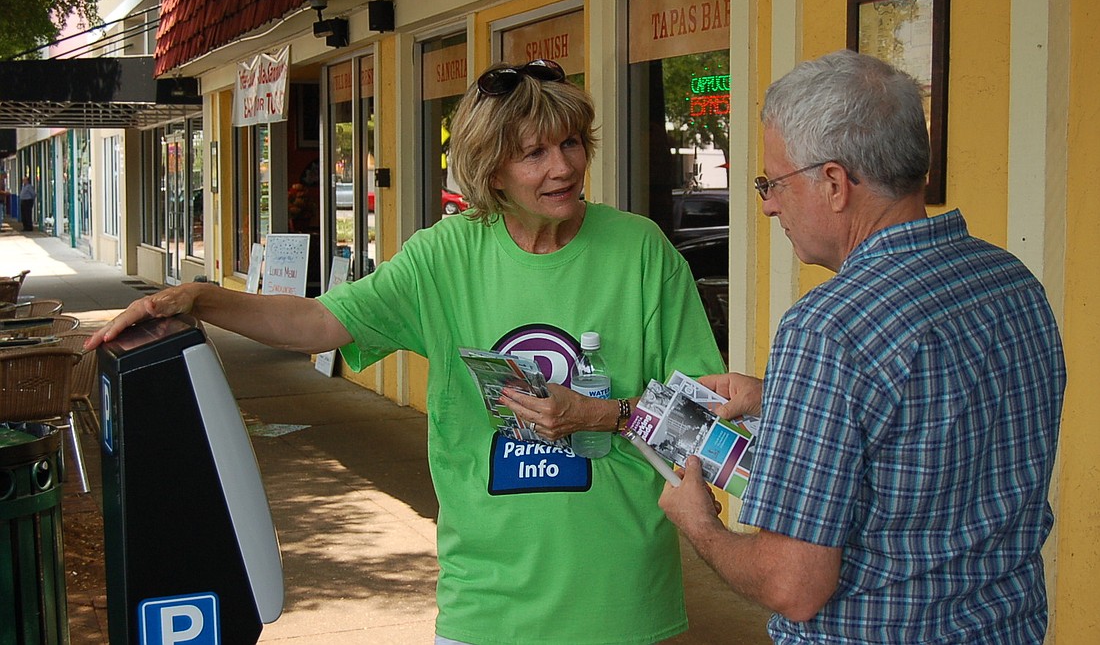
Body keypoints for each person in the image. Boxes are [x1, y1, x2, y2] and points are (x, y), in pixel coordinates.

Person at [88, 59, 727, 644]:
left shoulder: (641, 252)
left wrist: (600, 417)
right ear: (490, 168)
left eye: (570, 143)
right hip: (488, 606)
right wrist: (200, 298)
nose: (561, 167)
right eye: (532, 153)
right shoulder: (446, 256)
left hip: (619, 603)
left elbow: (702, 421)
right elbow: (320, 322)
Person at [659, 49, 1066, 644]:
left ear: (833, 183)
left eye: (772, 182)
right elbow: (936, 429)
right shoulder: (1008, 280)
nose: (769, 204)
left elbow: (792, 586)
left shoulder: (828, 328)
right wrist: (784, 400)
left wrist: (701, 527)